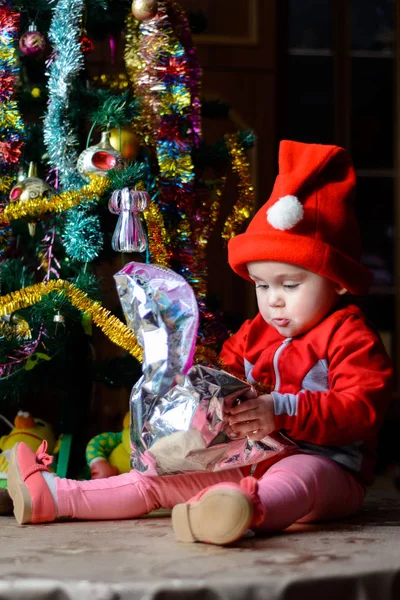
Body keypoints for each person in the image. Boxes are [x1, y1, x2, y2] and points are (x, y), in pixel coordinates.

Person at [7, 140, 393, 546]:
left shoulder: (351, 336)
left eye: (291, 285)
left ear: (337, 281)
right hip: (247, 458)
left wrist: (281, 409)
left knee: (298, 478)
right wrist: (213, 402)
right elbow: (223, 373)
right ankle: (55, 495)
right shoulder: (255, 332)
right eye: (262, 285)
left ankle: (241, 510)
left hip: (328, 467)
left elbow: (362, 409)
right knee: (157, 480)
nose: (274, 299)